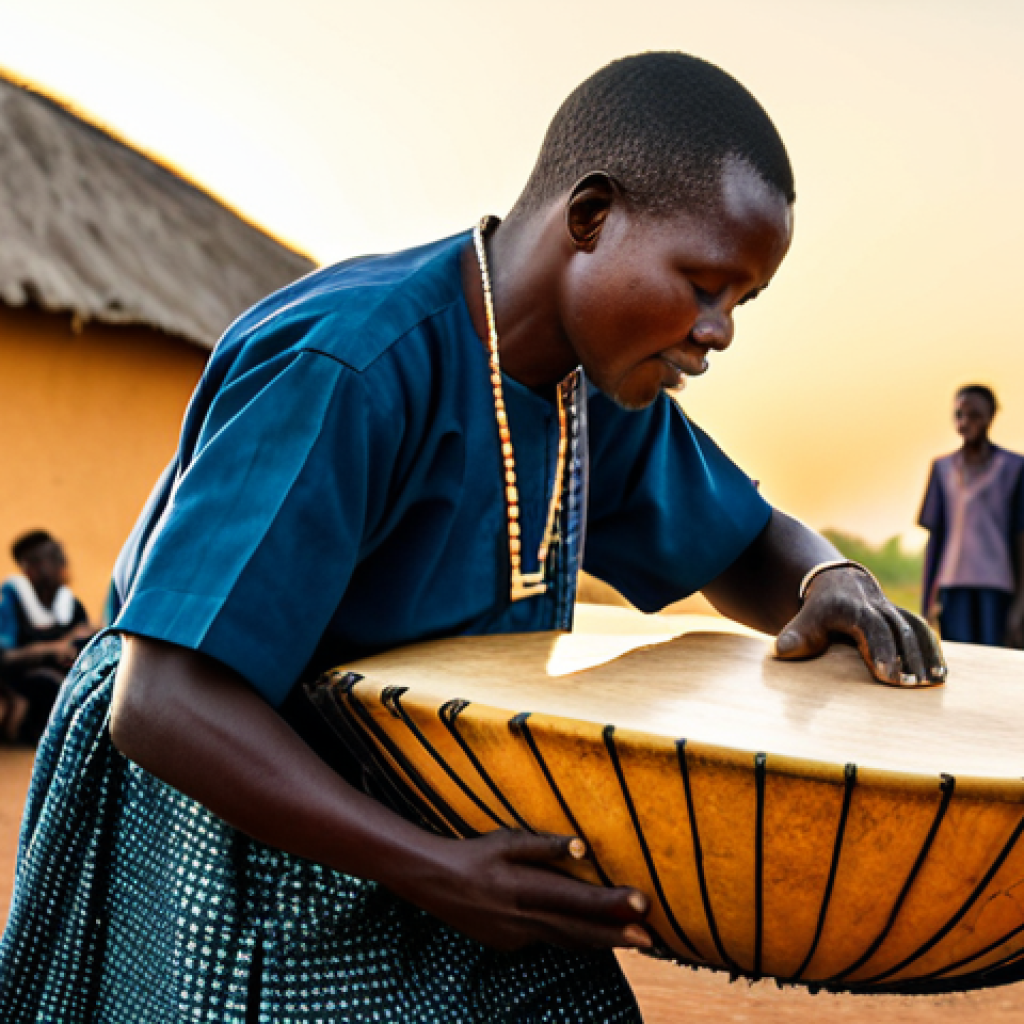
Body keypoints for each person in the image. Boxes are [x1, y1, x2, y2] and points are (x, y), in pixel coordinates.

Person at [0, 53, 944, 1023]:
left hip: (438, 809)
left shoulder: (593, 387)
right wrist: (434, 872)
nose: (719, 331)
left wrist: (825, 578)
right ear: (590, 218)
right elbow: (163, 702)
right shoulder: (351, 365)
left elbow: (742, 542)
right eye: (704, 284)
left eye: (740, 301)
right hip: (237, 806)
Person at [919, 385, 1024, 647]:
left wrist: (1020, 605)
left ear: (991, 416)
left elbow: (1021, 537)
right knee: (961, 665)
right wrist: (926, 603)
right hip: (953, 586)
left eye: (974, 414)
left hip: (998, 587)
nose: (965, 422)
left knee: (996, 665)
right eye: (959, 415)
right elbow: (936, 537)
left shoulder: (1014, 467)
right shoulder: (942, 468)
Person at [0, 530, 92, 744]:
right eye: (51, 558)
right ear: (30, 569)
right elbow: (3, 657)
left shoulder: (70, 605)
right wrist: (51, 649)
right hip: (22, 688)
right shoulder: (11, 600)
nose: (62, 563)